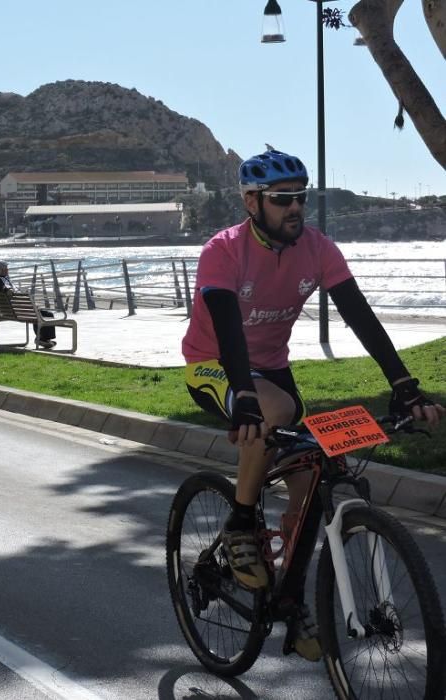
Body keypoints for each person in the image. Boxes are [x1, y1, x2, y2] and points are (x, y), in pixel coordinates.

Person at [181, 148, 445, 661]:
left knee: (310, 485)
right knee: (275, 412)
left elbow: (359, 315)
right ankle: (239, 524)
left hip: (273, 372)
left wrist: (404, 383)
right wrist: (246, 397)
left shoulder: (318, 248)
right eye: (283, 200)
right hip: (214, 363)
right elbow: (230, 330)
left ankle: (289, 598)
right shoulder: (224, 250)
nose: (295, 208)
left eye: (301, 197)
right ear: (252, 202)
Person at [0, 260, 57, 349]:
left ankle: (43, 339)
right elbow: (6, 291)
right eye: (5, 269)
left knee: (41, 313)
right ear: (0, 271)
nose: (8, 270)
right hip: (18, 311)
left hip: (10, 312)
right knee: (47, 314)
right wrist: (8, 291)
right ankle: (42, 339)